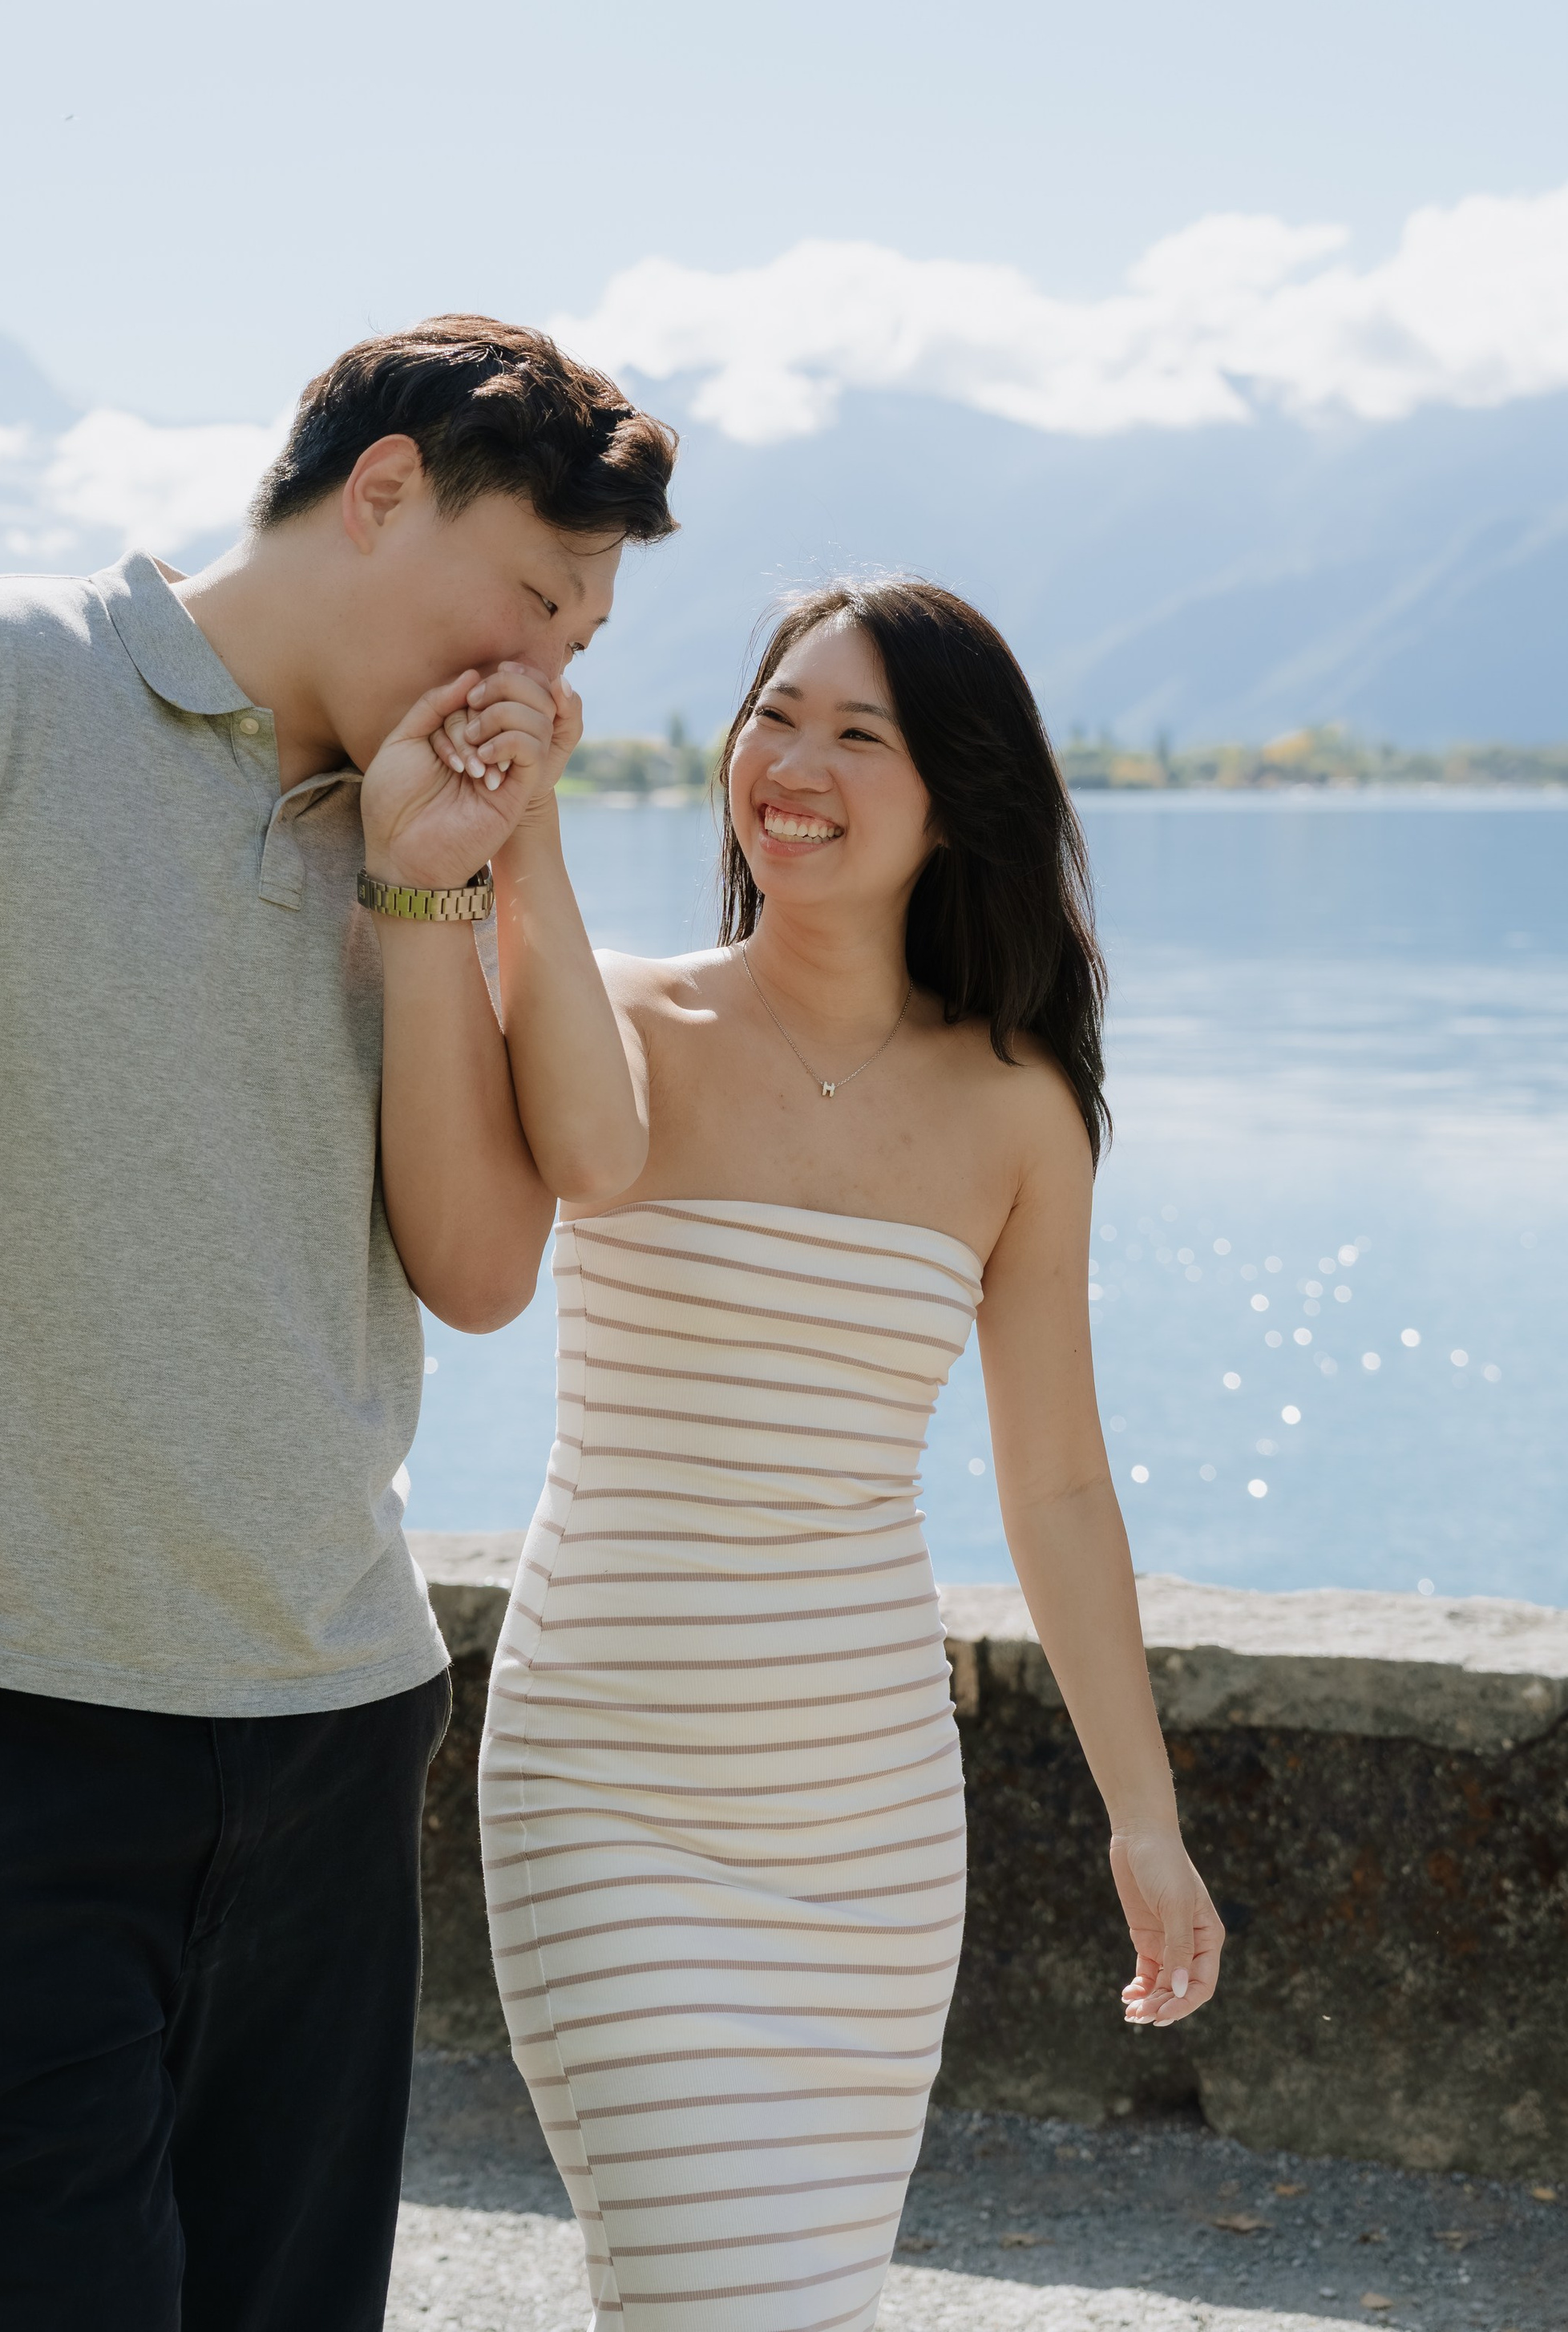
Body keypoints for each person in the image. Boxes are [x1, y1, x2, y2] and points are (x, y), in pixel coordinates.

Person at [0, 317, 677, 2332]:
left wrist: (451, 880)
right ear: (380, 489)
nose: (538, 675)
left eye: (580, 644)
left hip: (332, 1719)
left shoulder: (408, 828)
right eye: (529, 598)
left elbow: (478, 1263)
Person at [473, 576, 1227, 2332]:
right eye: (772, 714)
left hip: (863, 1836)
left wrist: (1145, 1816)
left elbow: (1051, 1484)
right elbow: (580, 1154)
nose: (790, 763)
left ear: (953, 795)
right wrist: (527, 844)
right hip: (612, 1793)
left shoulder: (1016, 1106)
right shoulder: (617, 1006)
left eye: (855, 733)